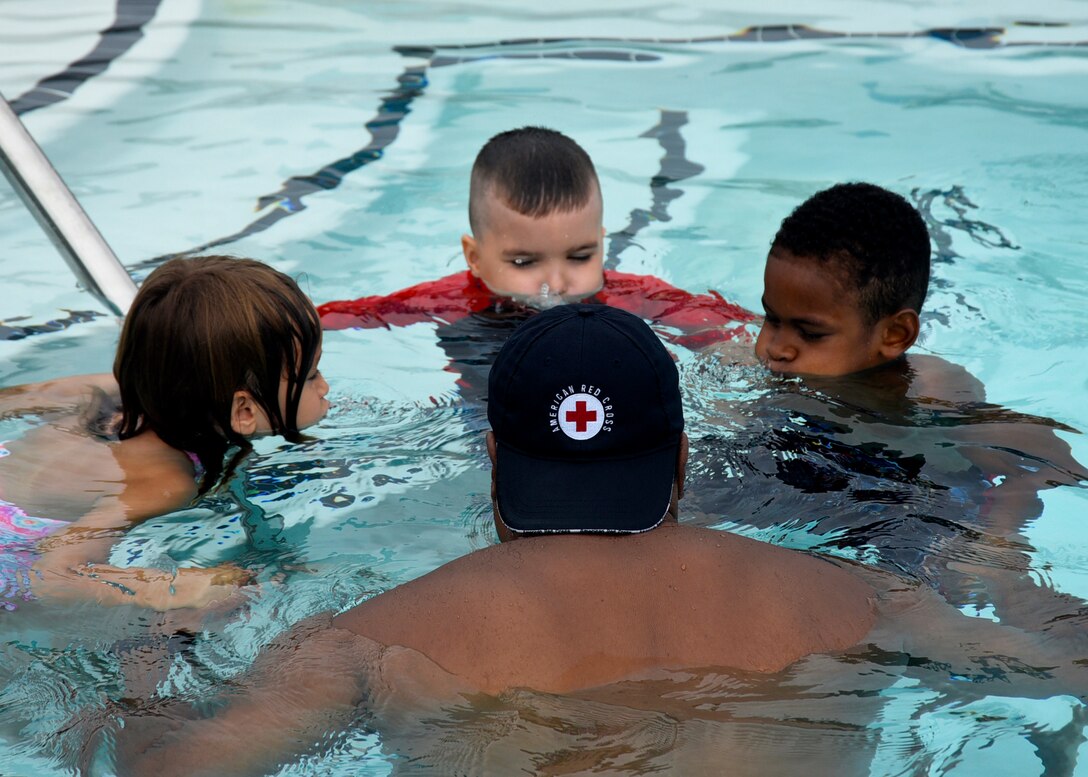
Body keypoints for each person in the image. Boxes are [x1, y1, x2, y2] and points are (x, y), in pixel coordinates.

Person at [111, 306, 1088, 777]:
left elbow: (170, 776)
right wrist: (995, 558)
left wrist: (138, 675)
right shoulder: (861, 601)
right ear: (679, 460)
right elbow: (1065, 669)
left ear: (494, 460)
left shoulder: (366, 638)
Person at [691, 182, 1086, 634]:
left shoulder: (930, 389)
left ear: (894, 336)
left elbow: (1044, 459)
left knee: (981, 593)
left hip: (902, 516)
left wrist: (1000, 536)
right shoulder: (746, 366)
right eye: (771, 318)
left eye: (810, 333)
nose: (775, 348)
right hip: (785, 496)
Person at [318, 126, 757, 395]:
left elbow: (719, 321)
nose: (558, 281)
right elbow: (360, 315)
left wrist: (728, 344)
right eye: (525, 262)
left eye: (580, 255)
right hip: (489, 421)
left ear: (601, 243)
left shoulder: (625, 295)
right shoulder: (450, 301)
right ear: (474, 257)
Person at [0, 256, 329, 612]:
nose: (325, 386)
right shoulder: (164, 481)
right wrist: (171, 588)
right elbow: (51, 577)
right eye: (311, 375)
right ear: (244, 411)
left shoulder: (99, 392)